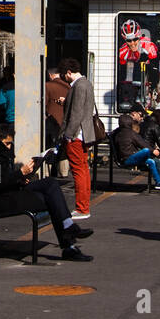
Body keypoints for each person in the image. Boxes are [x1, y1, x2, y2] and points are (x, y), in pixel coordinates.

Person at [0, 122, 93, 261]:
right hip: (0, 200)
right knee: (51, 199)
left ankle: (68, 228)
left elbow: (3, 178)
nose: (9, 147)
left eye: (11, 143)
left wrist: (21, 178)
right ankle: (69, 243)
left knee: (51, 184)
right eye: (7, 143)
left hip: (9, 192)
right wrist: (20, 174)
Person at [60, 58, 99, 220]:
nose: (64, 78)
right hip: (86, 133)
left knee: (78, 171)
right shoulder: (87, 84)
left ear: (69, 72)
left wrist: (69, 134)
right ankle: (83, 206)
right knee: (83, 170)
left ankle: (82, 208)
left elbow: (75, 113)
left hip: (76, 135)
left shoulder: (78, 86)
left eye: (65, 75)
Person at [114, 109, 160, 190]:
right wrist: (153, 150)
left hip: (124, 158)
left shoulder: (119, 133)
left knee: (152, 161)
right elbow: (142, 144)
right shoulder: (131, 133)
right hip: (130, 157)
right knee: (147, 151)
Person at [45, 65, 71, 177]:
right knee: (63, 148)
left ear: (50, 75)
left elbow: (44, 104)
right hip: (65, 122)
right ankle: (64, 172)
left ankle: (47, 171)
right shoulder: (68, 86)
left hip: (51, 122)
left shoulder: (47, 86)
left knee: (49, 147)